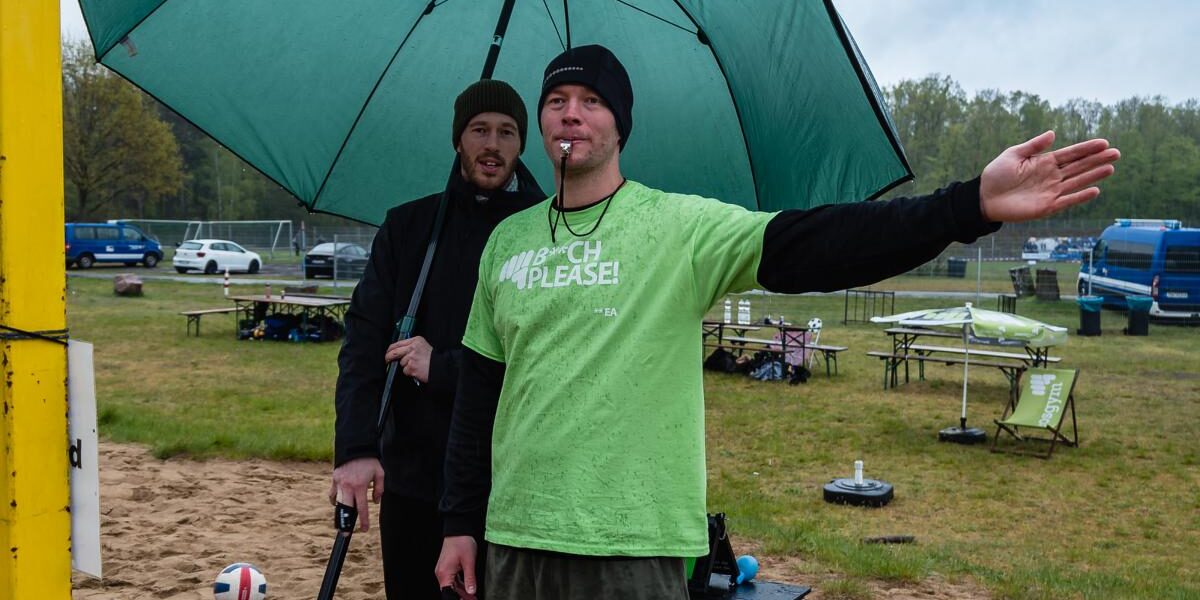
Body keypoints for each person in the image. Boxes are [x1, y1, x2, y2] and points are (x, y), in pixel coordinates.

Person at [435, 45, 1120, 600]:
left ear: (620, 125)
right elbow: (478, 396)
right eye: (557, 100)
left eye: (592, 100)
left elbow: (815, 242)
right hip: (515, 536)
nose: (571, 114)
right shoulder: (508, 243)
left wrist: (968, 206)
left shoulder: (677, 227)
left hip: (631, 545)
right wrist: (460, 522)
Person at [330, 79, 546, 600]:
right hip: (414, 475)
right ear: (457, 139)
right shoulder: (410, 227)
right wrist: (356, 448)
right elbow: (362, 344)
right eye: (479, 129)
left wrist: (443, 367)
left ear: (522, 144)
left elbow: (547, 359)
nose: (492, 145)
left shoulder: (547, 231)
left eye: (507, 132)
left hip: (511, 481)